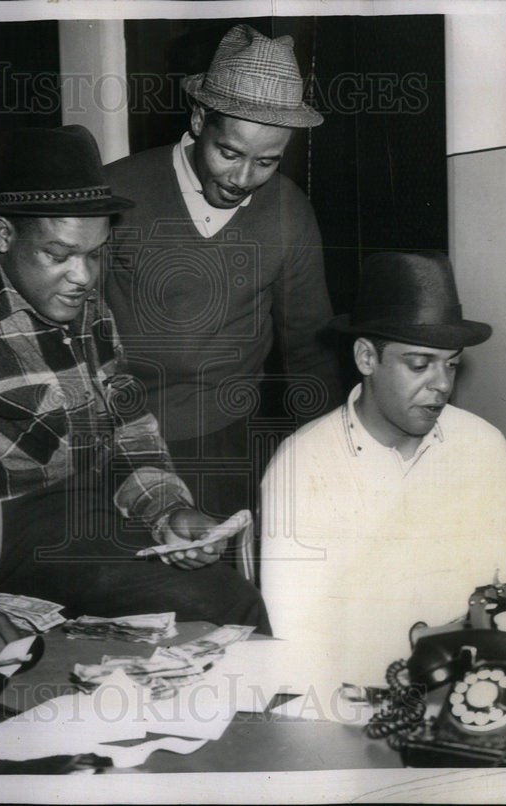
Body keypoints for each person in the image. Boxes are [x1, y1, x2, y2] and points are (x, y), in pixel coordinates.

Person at [0, 125, 270, 658]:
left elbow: (128, 429)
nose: (83, 276)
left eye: (94, 255)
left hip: (80, 525)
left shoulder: (85, 310)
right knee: (221, 602)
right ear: (4, 236)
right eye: (59, 254)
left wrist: (169, 513)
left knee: (228, 603)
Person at [259, 251, 506, 684]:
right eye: (419, 364)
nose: (442, 385)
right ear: (367, 358)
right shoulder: (303, 467)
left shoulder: (482, 445)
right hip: (351, 700)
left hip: (478, 684)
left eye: (451, 364)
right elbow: (297, 643)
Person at [103, 24, 343, 520]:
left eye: (267, 162)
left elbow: (309, 353)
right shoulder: (115, 193)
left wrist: (325, 466)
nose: (241, 179)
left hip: (228, 440)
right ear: (197, 120)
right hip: (117, 437)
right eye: (229, 153)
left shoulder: (289, 214)